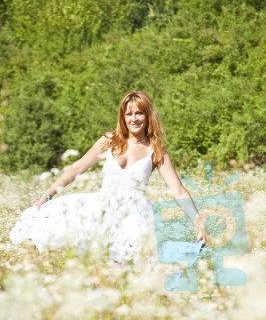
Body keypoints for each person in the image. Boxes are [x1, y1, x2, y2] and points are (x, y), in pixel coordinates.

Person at [9, 91, 207, 263]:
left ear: (147, 116)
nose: (134, 119)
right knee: (88, 255)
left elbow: (178, 190)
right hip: (101, 208)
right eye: (129, 114)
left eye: (139, 113)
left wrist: (199, 223)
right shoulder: (110, 140)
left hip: (134, 216)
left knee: (131, 266)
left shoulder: (156, 151)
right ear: (123, 117)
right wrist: (47, 195)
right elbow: (78, 167)